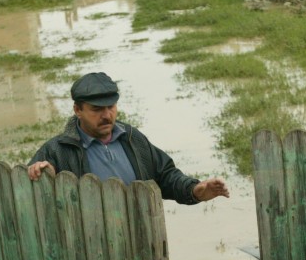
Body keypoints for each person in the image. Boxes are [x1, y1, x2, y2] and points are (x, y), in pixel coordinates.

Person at [27, 72, 229, 203]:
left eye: (111, 107)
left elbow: (165, 175)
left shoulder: (132, 138)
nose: (106, 115)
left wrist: (196, 190)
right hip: (88, 253)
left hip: (139, 243)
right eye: (97, 109)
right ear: (77, 110)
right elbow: (32, 197)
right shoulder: (57, 151)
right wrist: (46, 177)